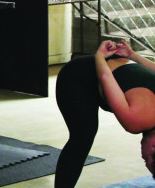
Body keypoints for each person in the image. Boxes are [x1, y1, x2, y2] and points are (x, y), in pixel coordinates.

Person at [55, 39, 155, 187]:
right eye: (146, 159)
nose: (141, 156)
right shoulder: (135, 120)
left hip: (117, 69)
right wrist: (100, 56)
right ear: (153, 147)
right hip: (79, 76)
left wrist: (132, 55)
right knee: (83, 137)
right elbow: (105, 77)